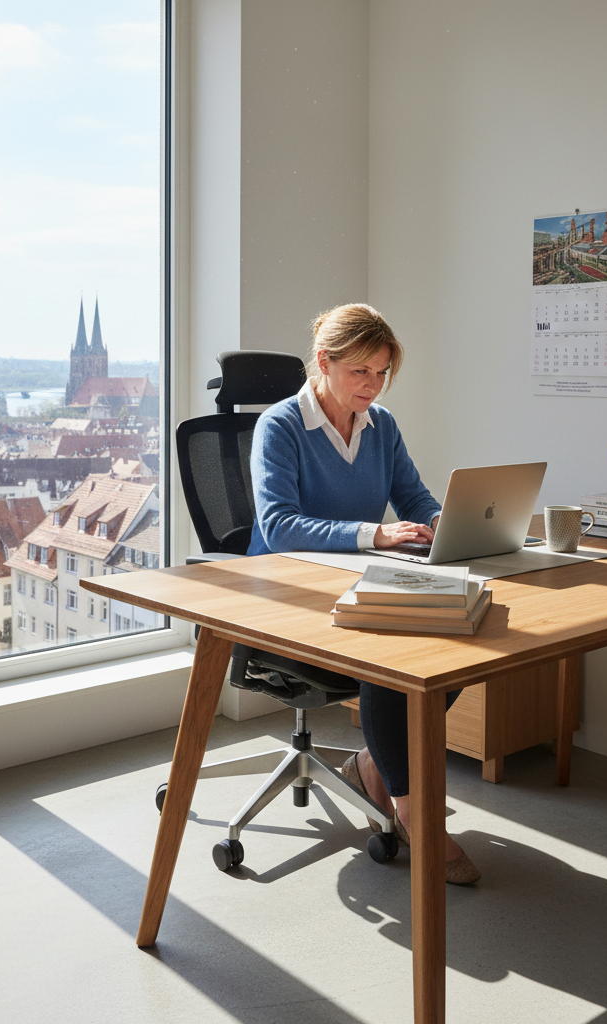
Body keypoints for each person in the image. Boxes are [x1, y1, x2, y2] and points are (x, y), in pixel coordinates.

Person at [248, 303, 480, 884]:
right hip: (286, 592)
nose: (372, 387)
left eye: (381, 374)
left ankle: (372, 767)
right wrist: (374, 534)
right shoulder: (279, 427)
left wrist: (447, 525)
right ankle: (411, 813)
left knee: (461, 631)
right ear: (324, 363)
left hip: (360, 581)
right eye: (361, 373)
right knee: (388, 652)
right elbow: (278, 525)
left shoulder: (382, 426)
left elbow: (414, 499)